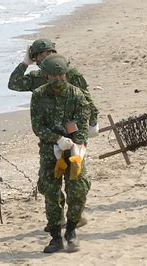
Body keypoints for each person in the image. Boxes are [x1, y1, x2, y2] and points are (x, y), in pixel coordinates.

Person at [9, 38, 97, 231]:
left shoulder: (70, 73)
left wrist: (92, 123)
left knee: (77, 182)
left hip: (74, 136)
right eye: (39, 55)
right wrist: (24, 63)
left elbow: (86, 99)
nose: (44, 57)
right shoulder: (38, 80)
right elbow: (14, 84)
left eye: (47, 53)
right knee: (50, 186)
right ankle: (57, 219)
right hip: (50, 138)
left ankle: (75, 216)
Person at [30, 54, 91, 253]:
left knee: (78, 189)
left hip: (73, 152)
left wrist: (76, 145)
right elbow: (37, 126)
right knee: (51, 193)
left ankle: (72, 230)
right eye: (53, 77)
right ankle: (56, 236)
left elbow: (82, 124)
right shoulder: (39, 95)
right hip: (51, 152)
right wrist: (56, 140)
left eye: (61, 76)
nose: (58, 80)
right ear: (46, 76)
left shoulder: (76, 95)